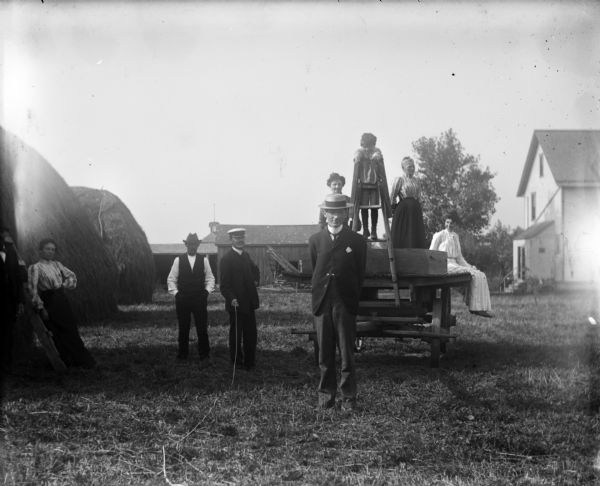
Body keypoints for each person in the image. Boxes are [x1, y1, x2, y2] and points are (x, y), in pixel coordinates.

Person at [309, 194, 367, 410]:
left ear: (346, 213)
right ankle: (326, 396)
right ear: (325, 214)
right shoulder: (315, 240)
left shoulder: (357, 241)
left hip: (345, 303)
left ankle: (349, 398)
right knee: (324, 353)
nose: (334, 216)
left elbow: (359, 274)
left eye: (339, 212)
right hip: (323, 303)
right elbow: (316, 269)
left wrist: (349, 296)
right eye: (330, 212)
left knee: (346, 353)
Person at [28, 238, 96, 368]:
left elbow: (72, 276)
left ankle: (80, 360)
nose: (50, 252)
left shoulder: (57, 265)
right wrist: (42, 308)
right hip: (48, 301)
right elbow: (33, 290)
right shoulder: (35, 268)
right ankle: (64, 361)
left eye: (53, 249)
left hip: (61, 300)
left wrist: (64, 285)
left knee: (70, 330)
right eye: (47, 249)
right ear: (40, 250)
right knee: (56, 331)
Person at [429, 214, 493, 318]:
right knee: (473, 275)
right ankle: (474, 308)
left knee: (480, 274)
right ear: (444, 223)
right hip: (444, 264)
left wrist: (469, 266)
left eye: (451, 223)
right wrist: (436, 266)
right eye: (447, 222)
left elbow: (459, 258)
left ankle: (481, 308)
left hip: (454, 263)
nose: (449, 225)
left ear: (455, 224)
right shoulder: (439, 235)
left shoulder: (456, 236)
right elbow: (431, 253)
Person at [167, 233, 215, 368]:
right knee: (183, 327)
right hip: (183, 299)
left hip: (199, 299)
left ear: (198, 245)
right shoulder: (178, 260)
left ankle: (204, 354)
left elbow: (210, 278)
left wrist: (206, 292)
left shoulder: (204, 260)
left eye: (195, 244)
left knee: (202, 327)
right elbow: (171, 279)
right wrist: (176, 294)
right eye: (190, 244)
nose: (192, 246)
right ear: (186, 245)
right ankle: (182, 354)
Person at [219, 228, 260, 371]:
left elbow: (255, 270)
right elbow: (224, 286)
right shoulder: (226, 259)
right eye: (237, 238)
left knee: (251, 334)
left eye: (242, 237)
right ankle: (237, 362)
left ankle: (250, 362)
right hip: (236, 304)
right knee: (236, 335)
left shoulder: (246, 256)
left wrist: (255, 281)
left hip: (249, 303)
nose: (240, 240)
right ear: (231, 240)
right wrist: (232, 299)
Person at [350, 132, 392, 240]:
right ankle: (365, 229)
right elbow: (356, 157)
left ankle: (373, 230)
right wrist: (359, 156)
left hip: (374, 184)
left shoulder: (376, 151)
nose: (368, 148)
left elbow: (379, 156)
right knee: (363, 208)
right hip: (363, 185)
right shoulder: (360, 151)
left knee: (374, 208)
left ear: (373, 144)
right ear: (362, 144)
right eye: (365, 146)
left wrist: (376, 157)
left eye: (370, 146)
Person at [0, 226, 26, 374]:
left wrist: (20, 300)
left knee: (8, 330)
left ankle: (6, 363)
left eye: (7, 235)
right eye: (3, 234)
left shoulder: (11, 252)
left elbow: (18, 277)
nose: (6, 237)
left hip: (9, 299)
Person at [390, 156, 426, 249]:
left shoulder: (417, 181)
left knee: (415, 234)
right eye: (409, 166)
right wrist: (394, 210)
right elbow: (392, 197)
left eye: (413, 166)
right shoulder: (399, 180)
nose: (412, 168)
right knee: (404, 234)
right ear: (403, 168)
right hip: (404, 210)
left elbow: (419, 196)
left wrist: (420, 206)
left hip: (415, 210)